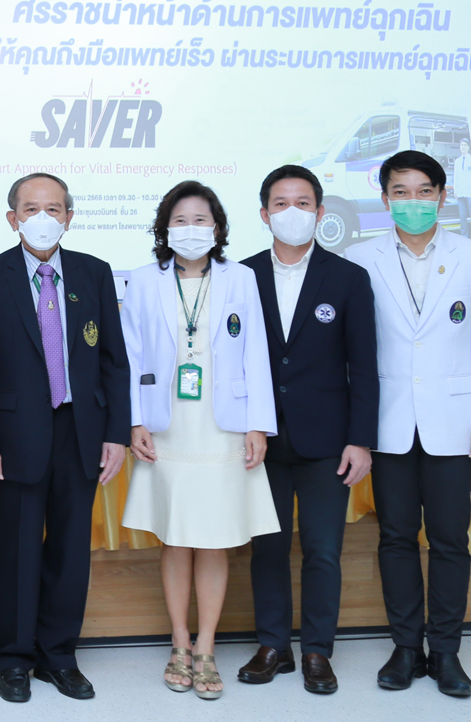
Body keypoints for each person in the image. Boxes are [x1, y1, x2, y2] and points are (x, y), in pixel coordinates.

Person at [345, 149, 471, 698]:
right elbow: (351, 350)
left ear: (442, 195)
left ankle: (446, 651)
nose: (411, 201)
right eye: (400, 191)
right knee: (394, 537)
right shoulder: (359, 258)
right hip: (387, 421)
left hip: (454, 421)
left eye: (423, 191)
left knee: (449, 540)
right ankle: (405, 648)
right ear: (384, 198)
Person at [0, 172, 128, 703]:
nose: (43, 218)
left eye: (54, 209)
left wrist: (116, 434)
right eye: (31, 209)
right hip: (14, 434)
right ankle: (14, 659)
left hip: (81, 430)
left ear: (69, 217)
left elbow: (113, 361)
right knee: (18, 551)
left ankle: (59, 655)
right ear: (12, 218)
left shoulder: (94, 272)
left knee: (70, 550)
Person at [120, 180, 277, 700]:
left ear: (218, 227)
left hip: (223, 424)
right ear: (165, 228)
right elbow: (130, 356)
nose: (191, 229)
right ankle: (179, 643)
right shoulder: (143, 280)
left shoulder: (242, 278)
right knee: (176, 535)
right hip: (166, 424)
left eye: (201, 220)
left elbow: (256, 352)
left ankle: (206, 646)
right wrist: (134, 421)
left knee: (214, 537)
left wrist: (258, 424)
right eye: (181, 220)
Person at [237, 165, 377, 694]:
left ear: (319, 213)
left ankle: (318, 650)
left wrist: (360, 439)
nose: (291, 212)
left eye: (302, 203)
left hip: (328, 441)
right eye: (280, 203)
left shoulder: (347, 277)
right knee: (268, 548)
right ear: (264, 213)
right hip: (261, 438)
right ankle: (273, 645)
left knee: (322, 550)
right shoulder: (241, 275)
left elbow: (364, 365)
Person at [450, 139, 471, 241]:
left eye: (465, 145)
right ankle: (464, 238)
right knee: (462, 218)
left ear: (468, 147)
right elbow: (456, 176)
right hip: (461, 193)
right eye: (461, 145)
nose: (463, 147)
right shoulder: (458, 161)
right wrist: (455, 191)